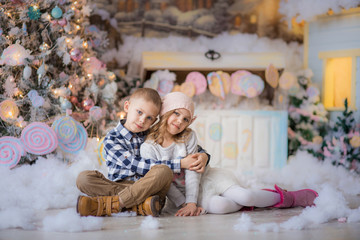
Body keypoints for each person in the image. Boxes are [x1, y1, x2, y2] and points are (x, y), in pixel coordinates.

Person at [140, 92, 319, 216]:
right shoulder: (149, 147)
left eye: (186, 119)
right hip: (178, 195)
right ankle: (255, 201)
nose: (180, 121)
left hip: (206, 180)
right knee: (221, 207)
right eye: (176, 113)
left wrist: (192, 202)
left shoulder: (188, 136)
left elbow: (193, 171)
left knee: (244, 196)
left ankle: (287, 197)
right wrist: (184, 204)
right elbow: (163, 183)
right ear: (165, 112)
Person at [76, 88, 209, 217]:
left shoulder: (150, 134)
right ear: (127, 107)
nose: (142, 120)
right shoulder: (112, 139)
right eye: (139, 112)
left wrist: (204, 156)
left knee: (163, 171)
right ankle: (139, 206)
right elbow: (136, 165)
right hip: (120, 186)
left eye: (150, 118)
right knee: (84, 179)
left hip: (149, 188)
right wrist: (180, 164)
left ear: (156, 119)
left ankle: (113, 204)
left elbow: (187, 147)